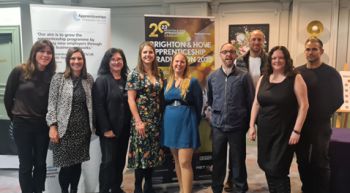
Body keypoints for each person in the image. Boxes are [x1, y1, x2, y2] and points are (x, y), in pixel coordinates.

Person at [248, 46, 309, 193]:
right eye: (274, 58)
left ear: (286, 60)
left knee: (279, 170)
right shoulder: (263, 78)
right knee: (268, 167)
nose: (277, 60)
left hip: (284, 133)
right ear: (270, 60)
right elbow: (256, 103)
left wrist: (297, 131)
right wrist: (251, 126)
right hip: (265, 132)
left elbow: (304, 106)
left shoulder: (295, 78)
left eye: (281, 57)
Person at [4, 39, 56, 193]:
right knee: (26, 164)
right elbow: (8, 98)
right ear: (34, 52)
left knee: (40, 163)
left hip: (42, 126)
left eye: (49, 52)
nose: (45, 55)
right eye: (42, 51)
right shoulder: (20, 70)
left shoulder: (52, 76)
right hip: (22, 125)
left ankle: (38, 191)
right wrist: (15, 118)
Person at [295, 37, 344, 193]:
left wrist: (322, 113)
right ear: (305, 51)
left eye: (314, 49)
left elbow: (338, 99)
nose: (311, 52)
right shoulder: (298, 72)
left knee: (320, 162)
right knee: (302, 160)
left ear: (321, 51)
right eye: (308, 49)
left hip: (321, 125)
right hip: (301, 125)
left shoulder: (332, 73)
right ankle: (306, 188)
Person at [222, 29, 268, 191]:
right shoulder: (239, 60)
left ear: (263, 41)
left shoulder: (270, 60)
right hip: (243, 108)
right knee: (236, 147)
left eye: (259, 40)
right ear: (249, 41)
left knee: (266, 145)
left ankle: (273, 177)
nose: (256, 42)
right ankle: (233, 179)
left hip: (264, 108)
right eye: (253, 39)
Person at [207, 43, 255, 193]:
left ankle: (240, 188)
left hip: (237, 126)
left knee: (238, 160)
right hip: (218, 127)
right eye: (225, 52)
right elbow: (210, 99)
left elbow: (251, 100)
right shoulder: (212, 77)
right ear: (220, 55)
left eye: (231, 52)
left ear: (235, 55)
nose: (228, 55)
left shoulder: (244, 76)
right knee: (218, 159)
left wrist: (249, 124)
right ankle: (217, 188)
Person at [46, 47, 94, 193]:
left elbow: (92, 105)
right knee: (66, 166)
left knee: (77, 165)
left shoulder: (88, 79)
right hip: (64, 131)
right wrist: (52, 126)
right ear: (68, 61)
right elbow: (51, 104)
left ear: (83, 60)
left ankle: (74, 190)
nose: (76, 61)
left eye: (79, 58)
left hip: (82, 130)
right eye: (73, 58)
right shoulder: (59, 78)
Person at [162, 53, 203, 193]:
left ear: (186, 65)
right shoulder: (167, 82)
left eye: (182, 62)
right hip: (170, 123)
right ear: (172, 63)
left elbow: (199, 105)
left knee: (185, 162)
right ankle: (181, 189)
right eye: (176, 61)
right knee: (177, 162)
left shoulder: (192, 82)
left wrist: (193, 122)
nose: (179, 64)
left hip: (186, 122)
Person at [126, 41, 164, 193]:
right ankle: (137, 188)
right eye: (145, 52)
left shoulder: (159, 73)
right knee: (141, 156)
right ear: (140, 55)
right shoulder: (134, 74)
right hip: (141, 121)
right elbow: (130, 99)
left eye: (150, 52)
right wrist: (138, 121)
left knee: (151, 156)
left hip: (155, 121)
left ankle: (149, 186)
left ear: (154, 55)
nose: (148, 55)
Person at [93, 48, 131, 193]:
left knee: (120, 161)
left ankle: (116, 188)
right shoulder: (102, 80)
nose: (116, 62)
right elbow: (99, 106)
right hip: (109, 130)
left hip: (125, 129)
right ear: (108, 62)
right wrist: (106, 129)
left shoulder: (127, 79)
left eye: (119, 59)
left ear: (123, 61)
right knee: (108, 162)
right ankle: (104, 189)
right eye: (113, 59)